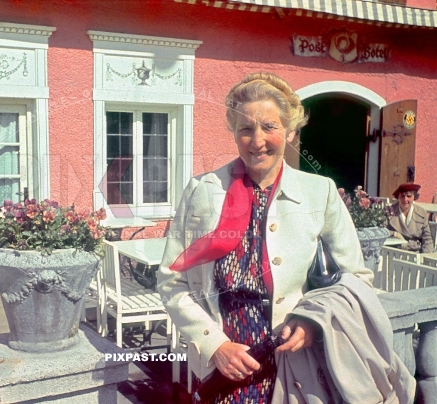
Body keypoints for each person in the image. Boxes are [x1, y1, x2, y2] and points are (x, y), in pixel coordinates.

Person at [157, 73, 413, 403]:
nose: (257, 140)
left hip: (297, 370)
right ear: (233, 132)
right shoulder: (201, 191)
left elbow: (356, 279)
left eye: (270, 127)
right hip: (221, 371)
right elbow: (172, 281)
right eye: (245, 129)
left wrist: (312, 321)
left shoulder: (319, 193)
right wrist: (213, 344)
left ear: (290, 131)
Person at [387, 183, 434, 253]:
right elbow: (381, 231)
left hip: (415, 252)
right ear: (398, 197)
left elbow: (427, 239)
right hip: (394, 252)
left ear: (414, 197)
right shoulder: (388, 211)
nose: (405, 199)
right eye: (402, 196)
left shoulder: (422, 213)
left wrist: (425, 256)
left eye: (409, 196)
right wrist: (395, 234)